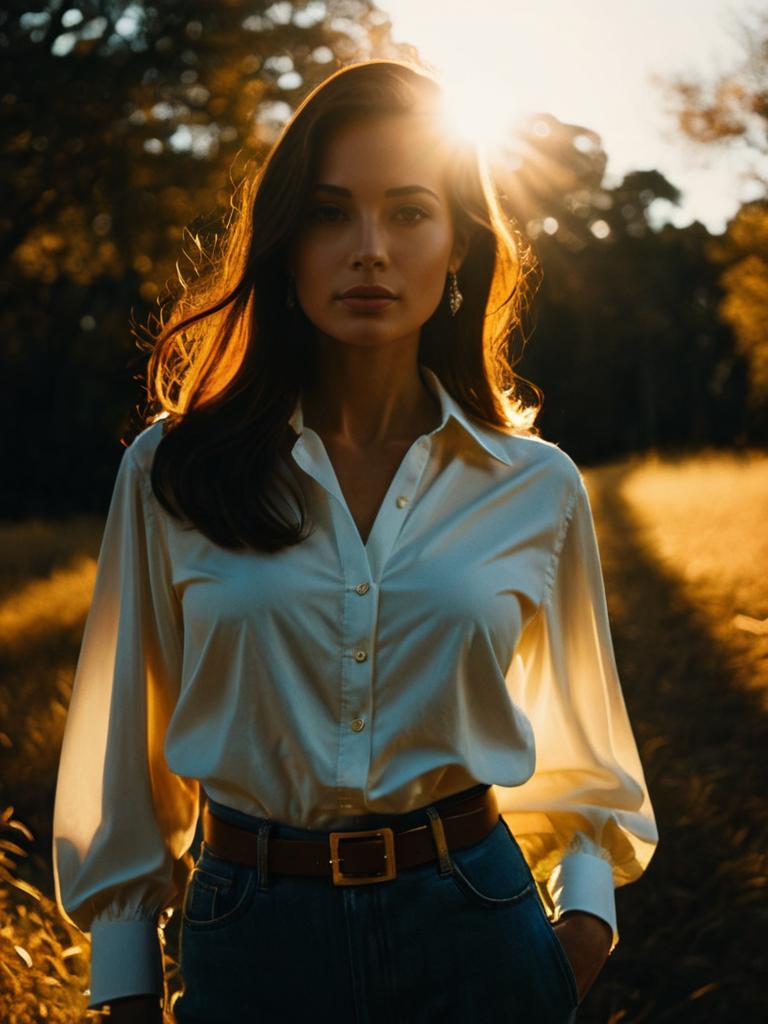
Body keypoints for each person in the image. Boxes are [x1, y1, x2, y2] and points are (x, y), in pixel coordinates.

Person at [52, 59, 658, 1023]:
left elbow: (588, 750)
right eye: (332, 213)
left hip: (476, 923)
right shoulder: (176, 472)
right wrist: (127, 979)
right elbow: (122, 752)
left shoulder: (535, 486)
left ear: (458, 243)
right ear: (287, 244)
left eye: (410, 212)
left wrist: (579, 929)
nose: (370, 249)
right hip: (251, 937)